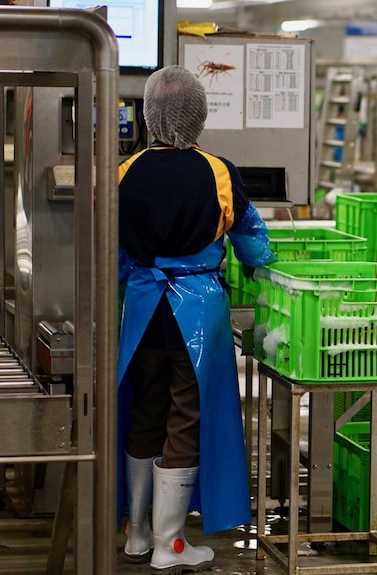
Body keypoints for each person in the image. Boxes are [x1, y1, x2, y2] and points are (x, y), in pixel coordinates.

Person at [116, 65, 276, 572]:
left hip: (142, 309)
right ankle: (172, 544)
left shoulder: (125, 170)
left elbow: (114, 252)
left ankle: (137, 534)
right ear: (200, 115)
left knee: (145, 409)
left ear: (148, 116)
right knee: (185, 416)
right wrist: (259, 266)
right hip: (197, 312)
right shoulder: (219, 171)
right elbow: (252, 238)